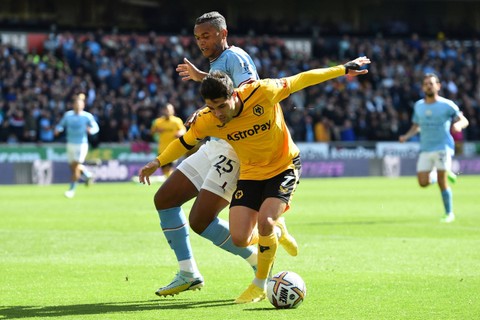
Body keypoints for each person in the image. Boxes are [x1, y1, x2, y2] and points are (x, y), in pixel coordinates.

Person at [139, 56, 371, 303]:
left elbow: (302, 79)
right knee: (240, 238)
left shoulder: (263, 92)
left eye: (221, 106)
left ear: (234, 95)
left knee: (266, 220)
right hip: (250, 173)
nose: (217, 114)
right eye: (211, 107)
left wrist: (343, 69)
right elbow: (185, 142)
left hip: (283, 167)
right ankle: (276, 234)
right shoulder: (209, 119)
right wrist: (158, 162)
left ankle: (259, 284)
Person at [147, 11, 269, 298]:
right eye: (198, 37)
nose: (201, 42)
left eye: (207, 36)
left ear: (223, 34)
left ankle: (258, 260)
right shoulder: (217, 63)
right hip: (214, 143)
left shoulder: (236, 57)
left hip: (235, 147)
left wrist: (204, 93)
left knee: (200, 221)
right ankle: (188, 273)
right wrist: (204, 87)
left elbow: (249, 94)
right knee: (164, 199)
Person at [399, 73, 469, 223]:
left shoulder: (447, 104)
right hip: (425, 148)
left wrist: (458, 125)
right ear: (422, 87)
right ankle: (439, 173)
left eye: (431, 83)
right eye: (426, 84)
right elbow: (416, 126)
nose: (428, 86)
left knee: (442, 182)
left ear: (438, 86)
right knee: (422, 183)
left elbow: (464, 120)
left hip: (442, 146)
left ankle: (449, 213)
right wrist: (406, 136)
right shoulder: (419, 106)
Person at [55, 93, 99, 198]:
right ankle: (87, 175)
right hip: (70, 144)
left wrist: (91, 130)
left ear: (83, 106)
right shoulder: (68, 115)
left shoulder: (87, 116)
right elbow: (61, 125)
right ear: (73, 105)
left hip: (81, 144)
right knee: (73, 167)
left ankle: (71, 190)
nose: (78, 106)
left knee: (75, 166)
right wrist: (58, 130)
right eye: (76, 104)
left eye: (80, 105)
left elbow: (96, 127)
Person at [150, 103, 186, 178]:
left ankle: (172, 184)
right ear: (163, 111)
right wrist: (156, 130)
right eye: (166, 110)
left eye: (169, 110)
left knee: (169, 168)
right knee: (164, 170)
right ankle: (171, 182)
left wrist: (180, 133)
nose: (167, 112)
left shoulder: (177, 121)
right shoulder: (158, 122)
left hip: (173, 149)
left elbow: (183, 130)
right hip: (162, 149)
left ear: (173, 111)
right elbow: (152, 133)